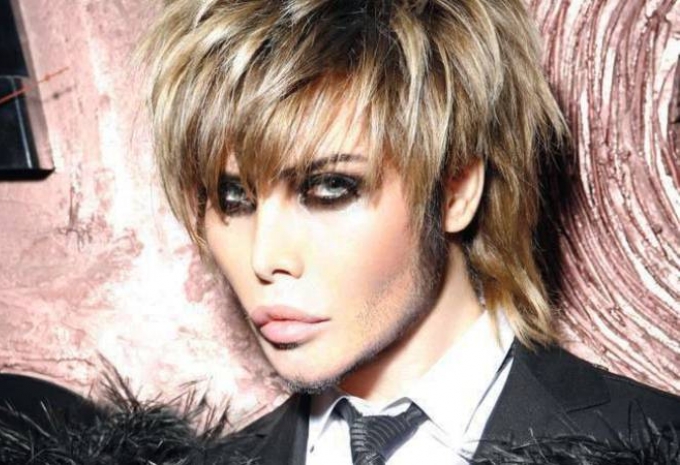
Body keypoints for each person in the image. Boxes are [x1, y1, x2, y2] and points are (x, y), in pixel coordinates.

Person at [137, 0, 680, 463]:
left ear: (456, 191)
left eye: (330, 187)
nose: (265, 256)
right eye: (233, 198)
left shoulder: (655, 441)